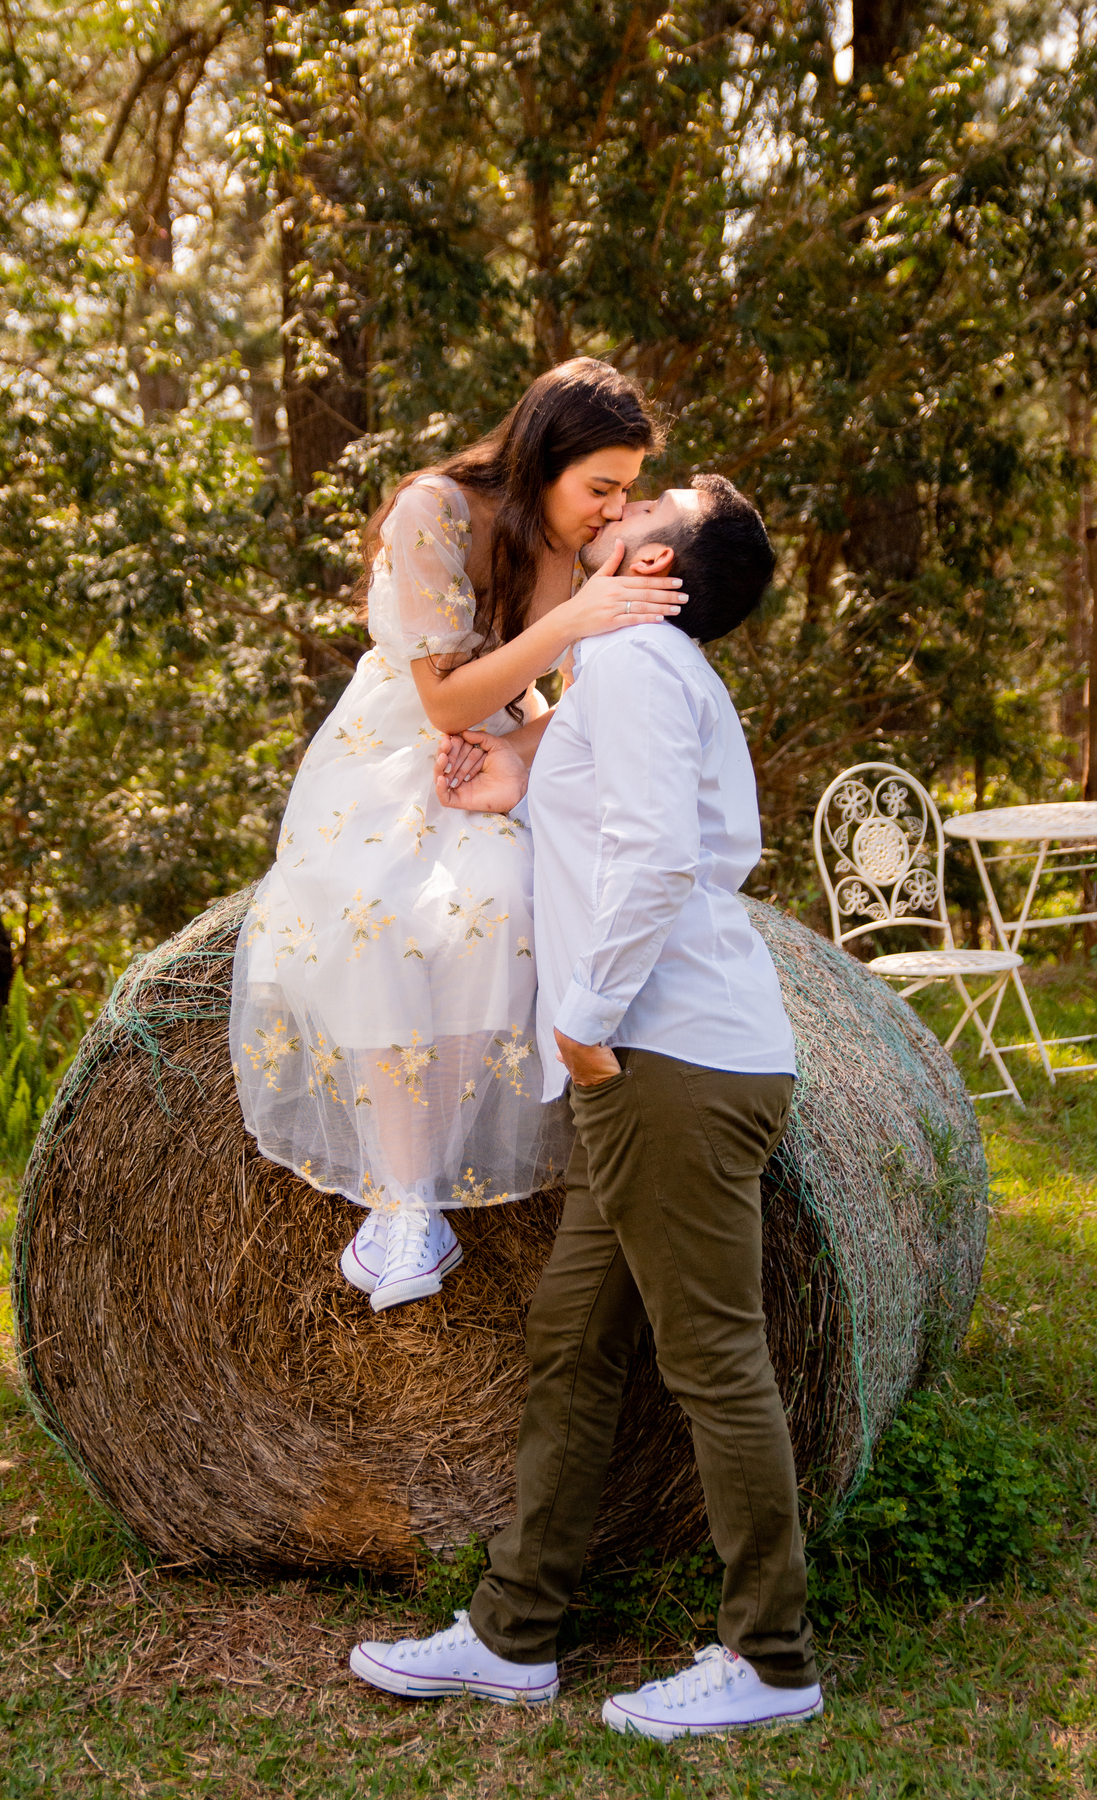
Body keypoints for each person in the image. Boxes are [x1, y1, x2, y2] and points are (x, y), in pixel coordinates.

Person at [349, 475, 824, 1739]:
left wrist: (584, 1019)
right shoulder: (638, 671)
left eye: (647, 500)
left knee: (713, 1357)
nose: (611, 512)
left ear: (659, 556)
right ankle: (516, 1635)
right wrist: (513, 783)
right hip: (652, 1058)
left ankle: (772, 1659)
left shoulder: (631, 661)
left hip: (665, 1055)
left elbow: (668, 854)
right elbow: (628, 826)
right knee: (571, 1339)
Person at [229, 360, 684, 1313]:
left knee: (503, 903)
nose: (612, 510)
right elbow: (439, 699)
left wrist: (522, 737)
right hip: (391, 748)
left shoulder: (585, 553)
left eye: (627, 492)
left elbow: (583, 696)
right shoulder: (433, 510)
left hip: (503, 749)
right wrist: (575, 618)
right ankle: (407, 1207)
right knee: (374, 920)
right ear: (542, 460)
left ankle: (414, 1184)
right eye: (599, 487)